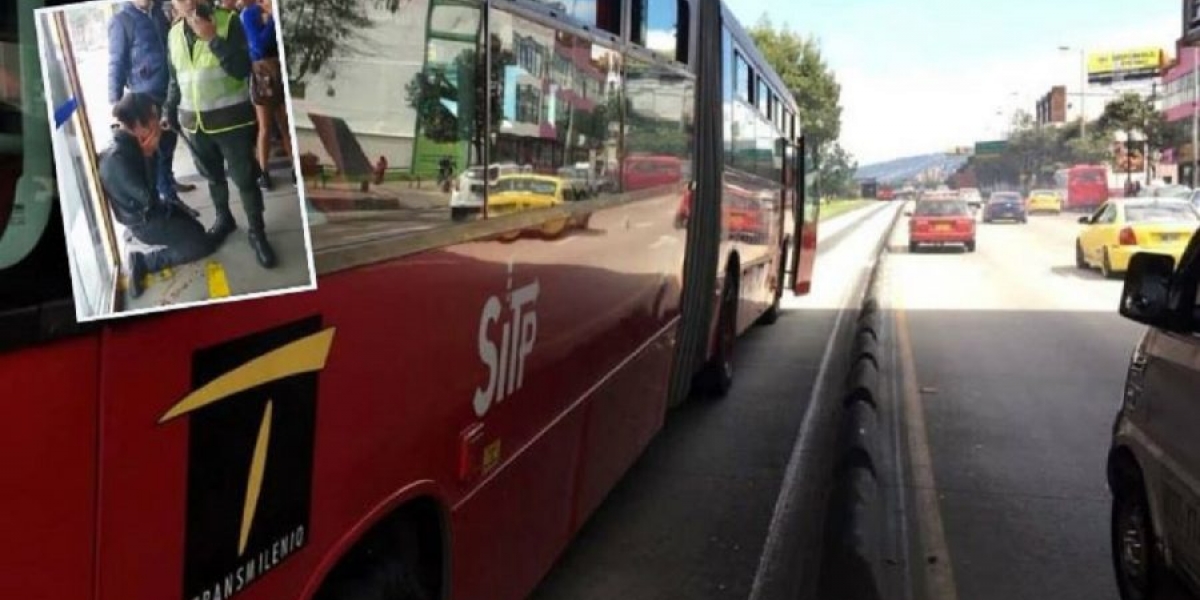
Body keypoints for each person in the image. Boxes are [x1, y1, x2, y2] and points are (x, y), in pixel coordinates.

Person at [164, 0, 276, 268]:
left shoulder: (228, 22)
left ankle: (257, 231)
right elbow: (175, 77)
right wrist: (169, 110)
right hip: (195, 125)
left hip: (231, 123)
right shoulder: (173, 34)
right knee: (212, 177)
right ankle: (224, 218)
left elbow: (242, 68)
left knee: (245, 178)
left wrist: (212, 38)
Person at [99, 92, 216, 299]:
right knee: (202, 244)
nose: (156, 120)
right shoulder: (118, 159)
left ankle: (162, 246)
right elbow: (149, 196)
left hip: (155, 210)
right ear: (137, 123)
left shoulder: (130, 141)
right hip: (145, 223)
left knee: (197, 231)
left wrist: (160, 139)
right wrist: (149, 155)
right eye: (152, 117)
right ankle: (144, 262)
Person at [107, 0, 198, 215]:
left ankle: (169, 182)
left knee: (169, 143)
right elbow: (116, 63)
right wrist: (115, 102)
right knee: (157, 151)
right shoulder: (122, 21)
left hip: (171, 92)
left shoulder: (160, 11)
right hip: (147, 99)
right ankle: (171, 201)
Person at [240, 0, 293, 191]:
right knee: (265, 126)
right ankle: (264, 171)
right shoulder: (249, 14)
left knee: (286, 124)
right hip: (261, 73)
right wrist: (272, 19)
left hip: (281, 72)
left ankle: (295, 168)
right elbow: (259, 46)